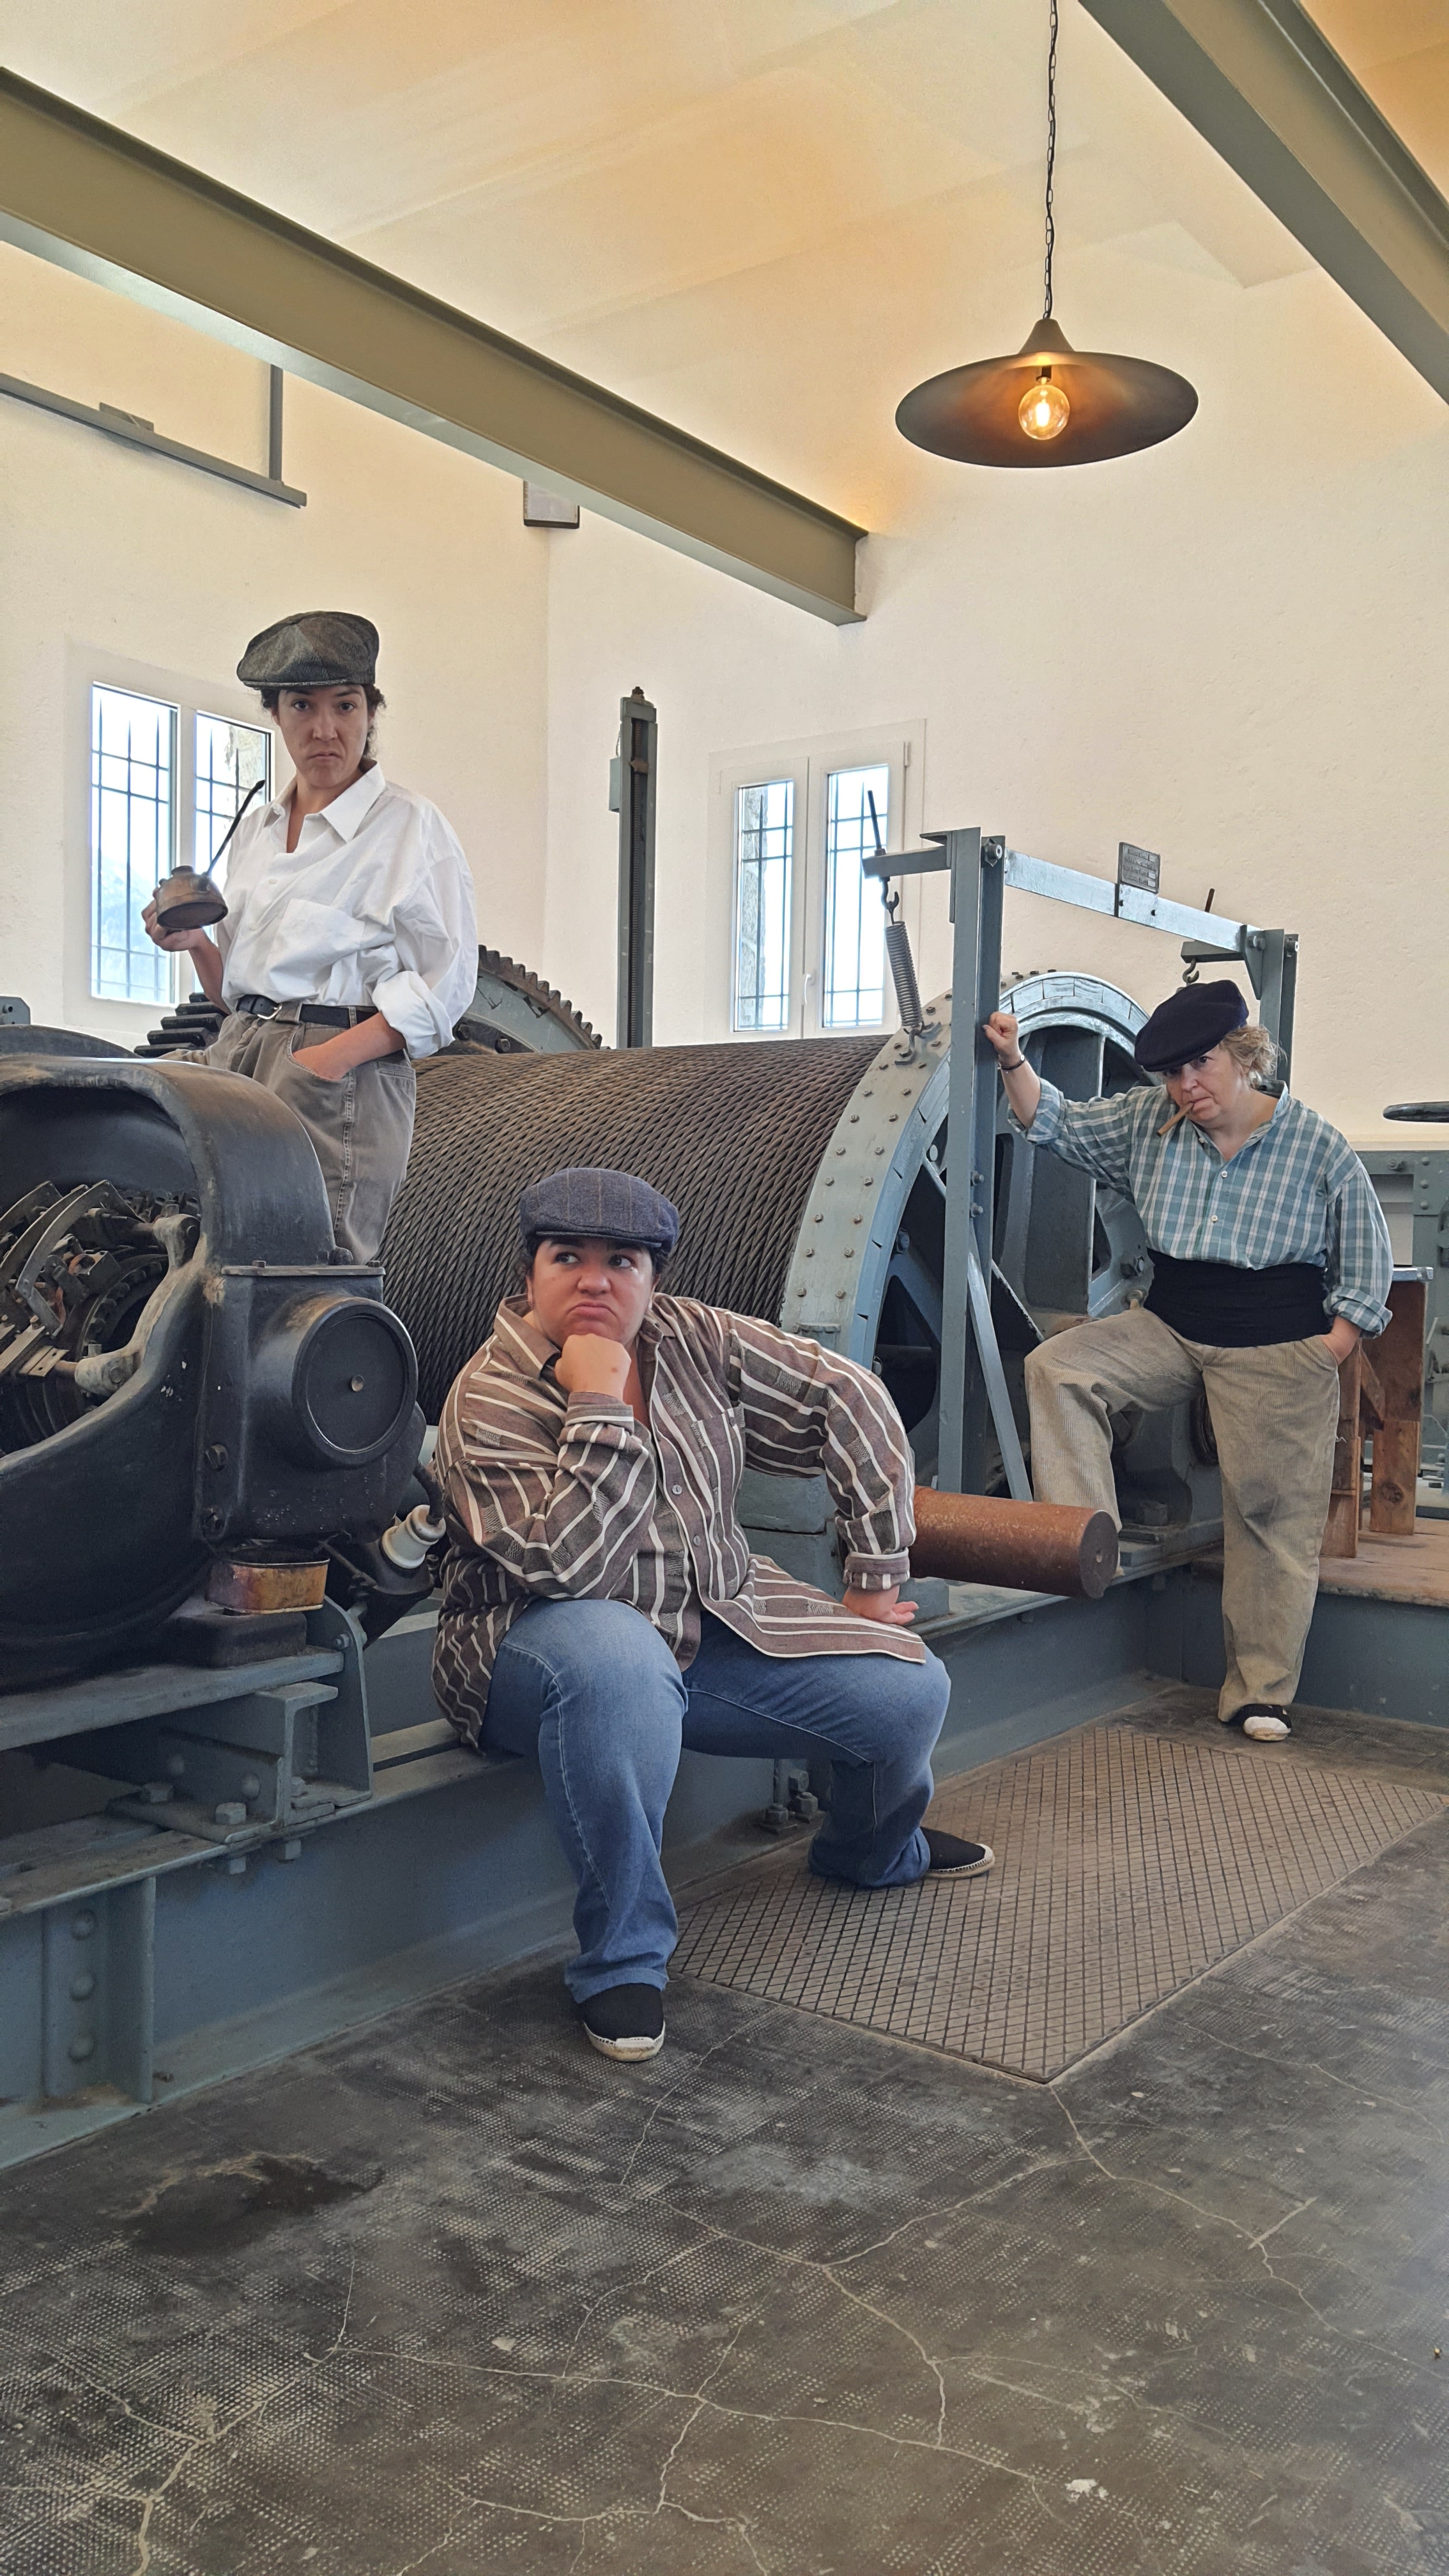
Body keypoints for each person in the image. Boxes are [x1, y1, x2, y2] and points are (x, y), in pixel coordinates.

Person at [431, 1165, 994, 2064]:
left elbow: (849, 1396)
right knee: (618, 1658)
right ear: (529, 1270)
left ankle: (873, 1852)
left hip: (706, 1625)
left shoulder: (696, 1338)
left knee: (911, 1689)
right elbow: (571, 1570)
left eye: (623, 1262)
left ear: (655, 1279)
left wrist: (874, 1576)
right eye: (567, 1257)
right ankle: (623, 1958)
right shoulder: (489, 1396)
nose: (594, 1281)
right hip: (535, 1649)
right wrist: (601, 1401)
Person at [983, 980, 1392, 1746]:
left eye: (1199, 1065)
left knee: (1270, 1518)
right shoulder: (1150, 1121)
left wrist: (1329, 1349)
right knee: (1059, 1367)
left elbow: (1368, 1267)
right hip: (1172, 1325)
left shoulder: (1317, 1145)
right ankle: (1085, 1543)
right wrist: (1012, 1060)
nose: (1186, 1087)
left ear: (1244, 1056)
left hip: (1278, 1345)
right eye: (1171, 1073)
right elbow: (1056, 1123)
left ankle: (1259, 1694)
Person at [143, 611, 477, 1262]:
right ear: (277, 715)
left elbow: (448, 983)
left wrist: (328, 1061)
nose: (325, 729)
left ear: (370, 713)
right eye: (302, 706)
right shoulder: (259, 832)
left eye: (345, 705)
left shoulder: (409, 827)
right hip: (238, 1053)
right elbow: (235, 990)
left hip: (333, 1070)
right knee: (217, 1268)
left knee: (312, 1274)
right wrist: (200, 949)